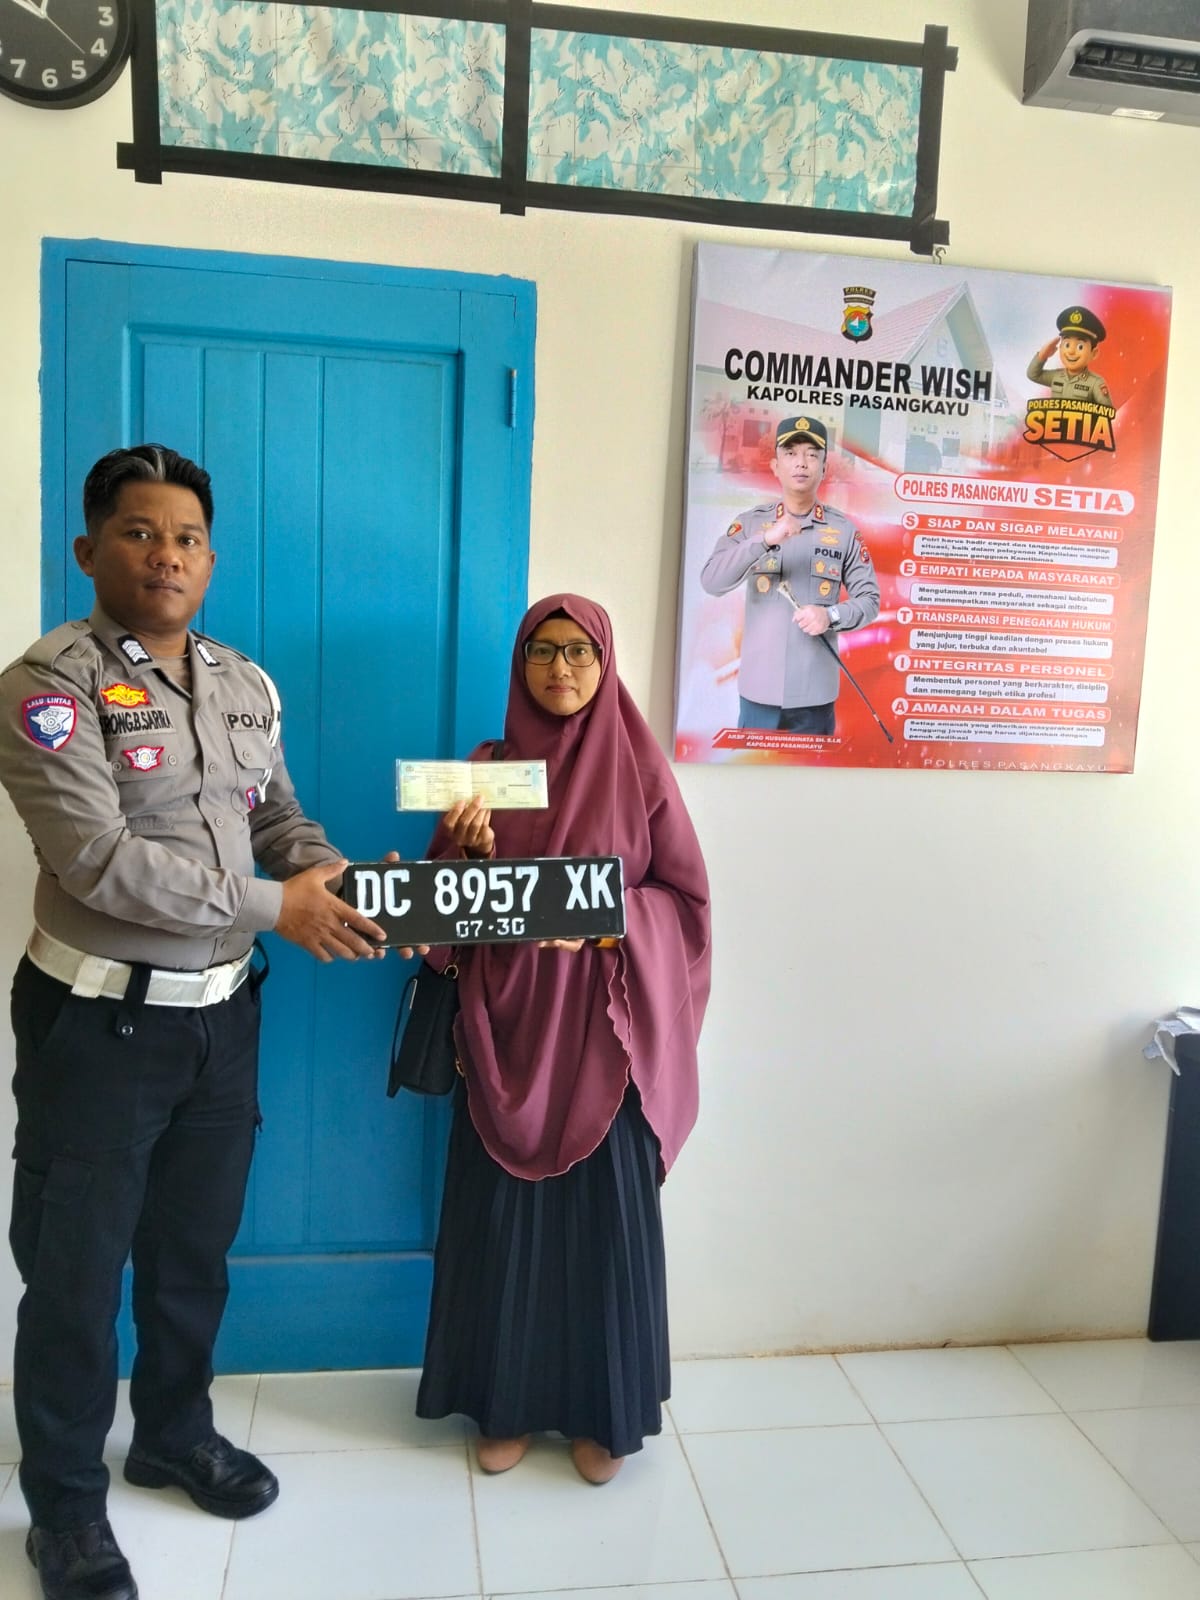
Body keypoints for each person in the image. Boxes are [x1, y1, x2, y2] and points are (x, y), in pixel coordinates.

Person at [0, 444, 390, 1600]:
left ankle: (172, 1433)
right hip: (98, 1026)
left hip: (222, 1021)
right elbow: (99, 860)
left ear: (210, 560)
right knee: (74, 1276)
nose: (165, 554)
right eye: (138, 532)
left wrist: (339, 879)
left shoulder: (243, 683)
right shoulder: (47, 688)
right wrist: (281, 908)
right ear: (89, 550)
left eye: (186, 538)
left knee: (190, 1254)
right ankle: (66, 1505)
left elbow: (277, 818)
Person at [415, 595, 710, 1484]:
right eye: (542, 651)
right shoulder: (488, 771)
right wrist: (464, 857)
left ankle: (601, 1415)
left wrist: (609, 919)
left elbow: (686, 905)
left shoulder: (640, 772)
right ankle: (503, 1404)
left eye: (580, 652)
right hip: (503, 1033)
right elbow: (441, 918)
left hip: (605, 1037)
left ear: (604, 662)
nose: (561, 669)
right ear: (521, 665)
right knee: (503, 1226)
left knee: (601, 1228)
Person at [699, 416, 879, 735]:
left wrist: (830, 615)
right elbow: (712, 580)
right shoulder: (751, 524)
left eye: (812, 454)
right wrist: (764, 541)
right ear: (775, 466)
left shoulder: (844, 531)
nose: (801, 463)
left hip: (815, 700)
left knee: (813, 771)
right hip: (758, 695)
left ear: (824, 468)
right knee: (750, 770)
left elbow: (869, 600)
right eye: (791, 453)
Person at [1026, 305, 1113, 406]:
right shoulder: (1057, 376)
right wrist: (1042, 356)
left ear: (1093, 353)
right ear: (1060, 347)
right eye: (1067, 345)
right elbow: (1033, 375)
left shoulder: (1095, 383)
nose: (1071, 351)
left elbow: (1107, 411)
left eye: (1080, 347)